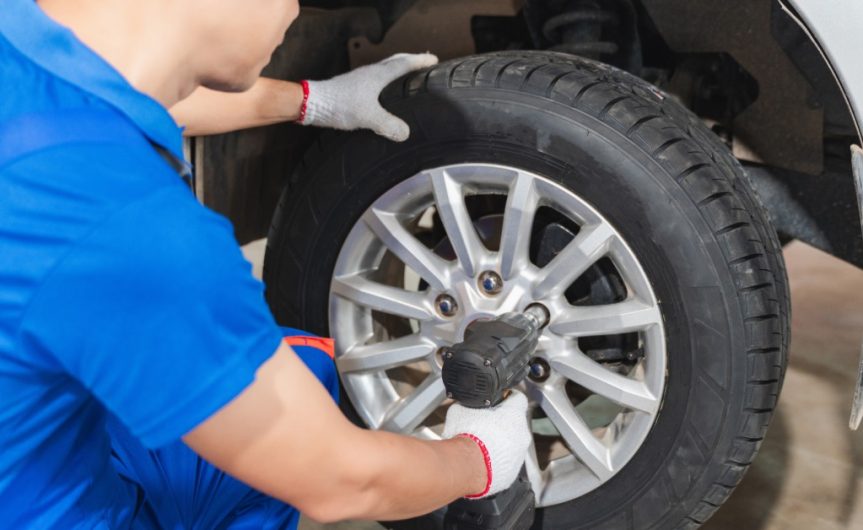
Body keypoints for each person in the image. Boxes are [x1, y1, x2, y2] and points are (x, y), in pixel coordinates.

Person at [0, 0, 532, 528]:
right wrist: (479, 458)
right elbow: (339, 479)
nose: (294, 13)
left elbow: (141, 96)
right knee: (285, 413)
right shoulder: (127, 222)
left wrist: (314, 101)